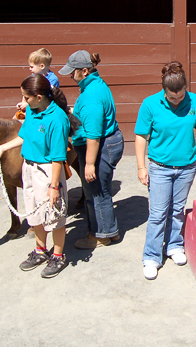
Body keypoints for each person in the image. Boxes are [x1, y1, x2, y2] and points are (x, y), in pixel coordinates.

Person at [0, 74, 71, 279]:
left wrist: (53, 187)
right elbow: (24, 136)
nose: (23, 102)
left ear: (39, 96)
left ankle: (58, 255)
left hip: (48, 171)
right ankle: (41, 250)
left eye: (26, 97)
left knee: (54, 216)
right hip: (29, 167)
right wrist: (2, 147)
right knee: (34, 214)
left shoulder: (57, 119)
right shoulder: (33, 112)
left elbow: (58, 158)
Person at [135, 61, 196, 280]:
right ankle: (151, 256)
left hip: (187, 167)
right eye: (172, 97)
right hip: (159, 168)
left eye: (180, 96)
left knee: (177, 210)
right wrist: (141, 167)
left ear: (186, 87)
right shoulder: (150, 104)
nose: (177, 101)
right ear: (164, 90)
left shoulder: (195, 101)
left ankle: (174, 246)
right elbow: (141, 136)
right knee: (157, 213)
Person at [58, 50, 124, 249]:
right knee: (100, 190)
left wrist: (88, 164)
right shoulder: (95, 84)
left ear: (84, 71)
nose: (70, 75)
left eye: (73, 72)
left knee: (96, 192)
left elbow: (93, 135)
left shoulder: (91, 98)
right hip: (107, 141)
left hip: (99, 146)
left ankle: (101, 235)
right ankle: (109, 231)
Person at [16, 48, 60, 113]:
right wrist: (23, 103)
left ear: (42, 66)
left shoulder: (52, 80)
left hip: (47, 110)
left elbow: (46, 99)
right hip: (34, 105)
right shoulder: (33, 76)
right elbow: (27, 92)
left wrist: (28, 104)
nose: (29, 69)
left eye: (32, 67)